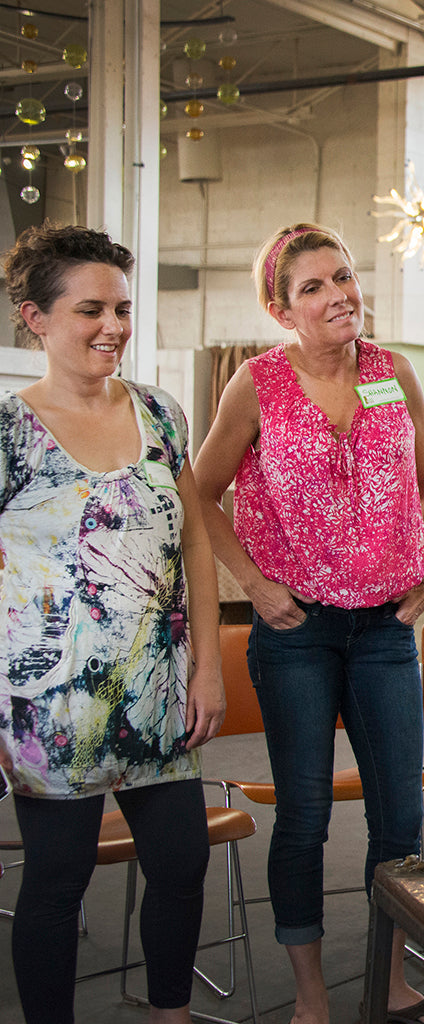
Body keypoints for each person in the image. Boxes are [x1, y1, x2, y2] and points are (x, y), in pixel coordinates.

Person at [193, 223, 424, 1024]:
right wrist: (254, 584)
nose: (339, 295)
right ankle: (311, 998)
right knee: (303, 814)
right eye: (312, 287)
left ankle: (389, 978)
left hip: (382, 631)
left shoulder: (392, 372)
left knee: (398, 815)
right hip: (296, 629)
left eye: (343, 276)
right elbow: (198, 492)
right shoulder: (257, 386)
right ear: (280, 309)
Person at [0, 223, 225, 1024]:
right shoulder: (8, 430)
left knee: (182, 864)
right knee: (57, 885)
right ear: (36, 317)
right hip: (53, 704)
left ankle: (169, 1013)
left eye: (123, 308)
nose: (114, 327)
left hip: (160, 692)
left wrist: (208, 665)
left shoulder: (159, 413)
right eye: (91, 309)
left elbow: (196, 537)